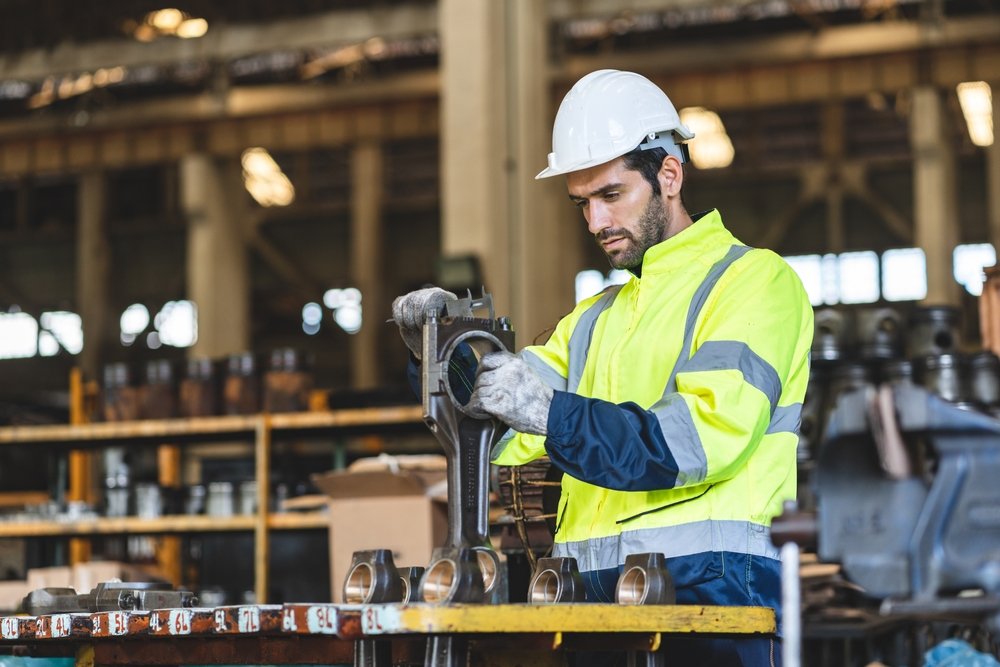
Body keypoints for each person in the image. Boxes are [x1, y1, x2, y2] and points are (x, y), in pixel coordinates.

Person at [392, 69, 812, 666]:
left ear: (669, 174)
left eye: (611, 196)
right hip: (589, 604)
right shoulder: (592, 320)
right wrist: (437, 354)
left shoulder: (753, 282)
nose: (595, 223)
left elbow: (699, 439)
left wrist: (551, 413)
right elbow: (498, 429)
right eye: (582, 203)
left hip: (713, 599)